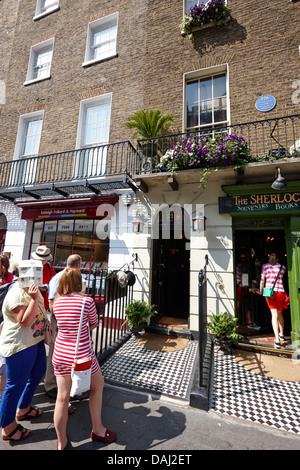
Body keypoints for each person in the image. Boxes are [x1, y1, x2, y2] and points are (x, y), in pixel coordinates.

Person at [52, 268, 116, 450]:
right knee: (98, 386)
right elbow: (94, 323)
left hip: (60, 354)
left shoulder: (57, 302)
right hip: (81, 355)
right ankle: (98, 429)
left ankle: (61, 441)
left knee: (62, 398)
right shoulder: (86, 301)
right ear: (79, 282)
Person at [0, 270, 47, 442]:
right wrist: (35, 299)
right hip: (19, 345)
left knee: (37, 373)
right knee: (14, 386)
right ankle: (7, 427)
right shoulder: (16, 292)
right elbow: (25, 321)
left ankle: (23, 408)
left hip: (34, 341)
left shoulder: (31, 288)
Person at [44, 254, 82, 399]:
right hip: (59, 321)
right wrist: (59, 320)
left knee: (67, 354)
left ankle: (66, 385)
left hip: (67, 322)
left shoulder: (69, 276)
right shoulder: (59, 277)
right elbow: (51, 301)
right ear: (78, 264)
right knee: (55, 351)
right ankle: (51, 385)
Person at [260, 252, 290, 349]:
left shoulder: (265, 266)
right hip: (281, 291)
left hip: (270, 292)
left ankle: (277, 339)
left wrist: (260, 291)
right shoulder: (282, 267)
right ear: (277, 259)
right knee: (280, 313)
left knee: (274, 314)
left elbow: (262, 280)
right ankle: (282, 334)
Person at [31, 245, 56, 311]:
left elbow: (54, 279)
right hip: (31, 297)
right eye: (40, 260)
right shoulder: (29, 265)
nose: (42, 262)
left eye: (44, 260)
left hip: (44, 298)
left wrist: (48, 287)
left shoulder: (48, 265)